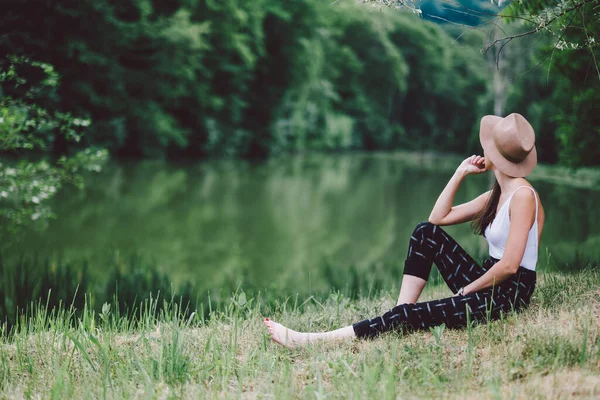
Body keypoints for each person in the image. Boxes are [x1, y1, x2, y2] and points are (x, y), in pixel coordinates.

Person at [264, 113, 545, 348]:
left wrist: (467, 290)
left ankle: (311, 341)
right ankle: (398, 313)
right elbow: (437, 218)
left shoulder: (522, 196)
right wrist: (459, 173)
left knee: (416, 316)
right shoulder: (496, 194)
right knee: (424, 233)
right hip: (489, 276)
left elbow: (509, 266)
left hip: (509, 294)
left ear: (494, 154)